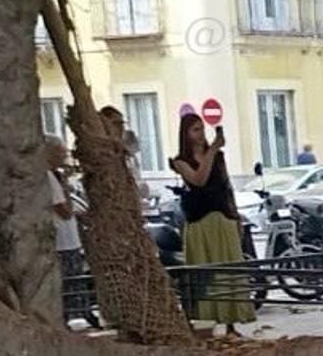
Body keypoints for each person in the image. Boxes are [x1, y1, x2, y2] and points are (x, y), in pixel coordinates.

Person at [170, 112, 255, 334]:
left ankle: (231, 322)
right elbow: (199, 179)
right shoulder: (180, 161)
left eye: (201, 129)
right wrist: (213, 149)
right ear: (186, 134)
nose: (200, 134)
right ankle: (204, 320)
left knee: (228, 270)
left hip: (222, 217)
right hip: (200, 221)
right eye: (195, 130)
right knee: (206, 272)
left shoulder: (218, 156)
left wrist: (235, 216)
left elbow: (226, 186)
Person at [45, 137, 90, 324]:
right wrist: (64, 184)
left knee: (75, 279)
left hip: (70, 239)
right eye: (61, 152)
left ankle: (83, 313)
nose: (65, 156)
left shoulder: (55, 175)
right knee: (68, 281)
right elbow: (64, 210)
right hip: (61, 240)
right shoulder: (48, 177)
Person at [98, 106, 150, 203]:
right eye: (116, 124)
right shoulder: (101, 152)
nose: (121, 128)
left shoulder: (126, 154)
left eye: (122, 124)